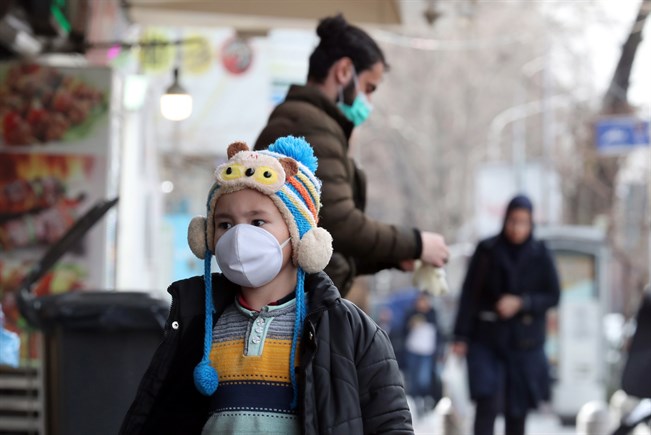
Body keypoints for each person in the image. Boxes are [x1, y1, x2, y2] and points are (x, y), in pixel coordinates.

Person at [119, 136, 413, 434]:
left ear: (302, 236)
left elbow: (390, 424)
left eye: (258, 222)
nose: (238, 236)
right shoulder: (196, 325)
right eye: (225, 224)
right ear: (206, 237)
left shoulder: (349, 331)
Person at [254, 14, 448, 297]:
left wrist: (393, 256)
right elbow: (341, 223)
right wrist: (417, 243)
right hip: (295, 306)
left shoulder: (308, 120)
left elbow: (325, 242)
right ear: (344, 71)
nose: (367, 102)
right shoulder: (310, 125)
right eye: (369, 88)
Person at [451, 195, 560, 435]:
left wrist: (522, 302)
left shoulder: (540, 254)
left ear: (531, 223)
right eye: (512, 220)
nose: (517, 228)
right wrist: (460, 335)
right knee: (486, 402)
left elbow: (553, 295)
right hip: (486, 339)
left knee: (516, 411)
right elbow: (469, 294)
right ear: (505, 219)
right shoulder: (487, 250)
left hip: (524, 345)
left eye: (523, 222)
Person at [402, 291, 443, 415]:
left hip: (427, 352)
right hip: (413, 350)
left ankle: (425, 399)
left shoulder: (433, 313)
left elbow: (439, 333)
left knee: (424, 378)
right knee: (413, 378)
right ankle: (417, 402)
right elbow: (402, 331)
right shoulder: (411, 313)